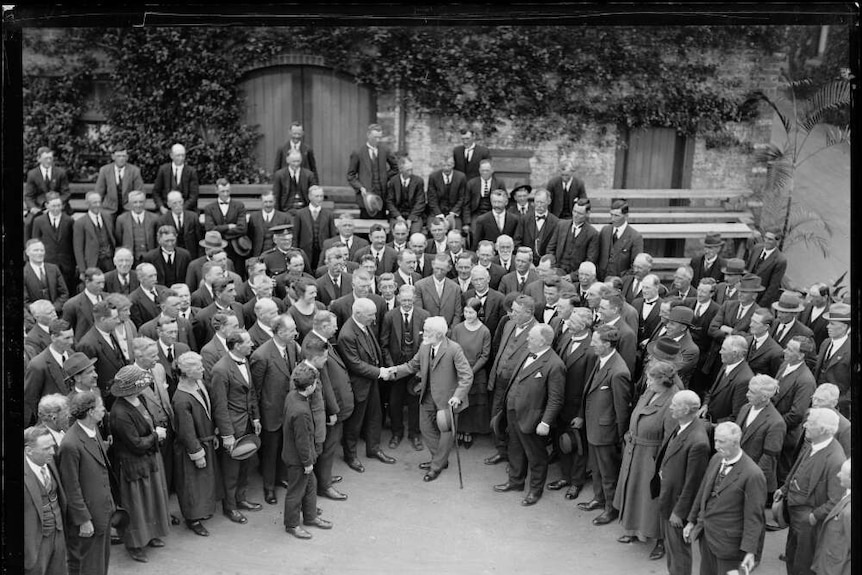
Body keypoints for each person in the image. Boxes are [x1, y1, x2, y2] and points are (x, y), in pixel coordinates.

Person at [388, 316, 473, 482]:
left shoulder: (454, 349)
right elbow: (412, 366)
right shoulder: (425, 347)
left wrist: (457, 396)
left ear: (439, 334)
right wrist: (393, 371)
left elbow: (466, 376)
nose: (423, 334)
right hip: (427, 396)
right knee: (425, 429)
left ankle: (436, 466)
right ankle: (440, 460)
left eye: (427, 332)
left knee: (446, 433)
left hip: (447, 400)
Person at [491, 324, 564, 505]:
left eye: (531, 338)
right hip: (513, 411)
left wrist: (545, 422)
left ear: (543, 341)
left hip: (533, 418)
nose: (527, 340)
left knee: (536, 456)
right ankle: (516, 481)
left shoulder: (555, 365)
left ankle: (535, 490)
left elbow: (556, 399)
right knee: (514, 448)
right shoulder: (527, 352)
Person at [615, 360, 681, 559]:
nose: (648, 381)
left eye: (651, 378)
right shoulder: (651, 391)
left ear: (664, 381)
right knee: (634, 492)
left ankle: (661, 540)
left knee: (653, 499)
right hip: (636, 451)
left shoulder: (673, 401)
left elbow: (671, 438)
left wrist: (663, 466)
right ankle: (633, 529)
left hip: (652, 456)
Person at [683, 422, 766, 575]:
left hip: (730, 545)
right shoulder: (716, 459)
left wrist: (750, 551)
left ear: (735, 443)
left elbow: (754, 517)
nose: (716, 446)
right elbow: (703, 491)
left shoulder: (753, 474)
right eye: (715, 440)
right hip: (707, 536)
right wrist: (691, 521)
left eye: (721, 441)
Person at [108, 365, 171, 563]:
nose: (145, 387)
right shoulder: (119, 413)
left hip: (148, 460)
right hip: (133, 465)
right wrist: (156, 435)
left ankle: (151, 534)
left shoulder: (139, 399)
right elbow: (135, 444)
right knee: (136, 506)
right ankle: (134, 545)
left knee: (151, 500)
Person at [775, 408, 845, 575]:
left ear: (822, 430)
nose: (805, 425)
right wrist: (784, 489)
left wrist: (814, 516)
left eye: (810, 423)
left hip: (809, 520)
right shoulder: (813, 444)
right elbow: (797, 467)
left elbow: (836, 500)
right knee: (792, 555)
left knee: (803, 565)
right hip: (794, 515)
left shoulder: (835, 459)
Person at [575, 324, 632, 525]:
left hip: (606, 431)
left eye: (596, 342)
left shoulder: (618, 372)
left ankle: (610, 508)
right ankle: (599, 498)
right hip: (594, 427)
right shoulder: (602, 361)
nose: (592, 345)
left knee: (608, 472)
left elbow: (621, 409)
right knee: (597, 468)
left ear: (607, 344)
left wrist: (618, 436)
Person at [653, 390, 711, 575]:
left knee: (679, 555)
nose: (670, 407)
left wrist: (680, 512)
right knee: (672, 550)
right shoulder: (683, 426)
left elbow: (694, 483)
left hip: (676, 507)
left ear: (686, 409)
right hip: (668, 498)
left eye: (675, 405)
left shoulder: (698, 441)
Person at [57, 391, 115, 575]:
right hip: (89, 517)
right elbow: (71, 487)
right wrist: (83, 520)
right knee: (89, 566)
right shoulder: (70, 444)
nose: (104, 410)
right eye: (100, 407)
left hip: (103, 511)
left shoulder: (93, 430)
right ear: (90, 411)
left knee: (101, 563)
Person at [209, 330, 262, 524]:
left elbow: (251, 392)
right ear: (237, 346)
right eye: (248, 342)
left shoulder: (244, 360)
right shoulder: (220, 370)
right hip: (233, 426)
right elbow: (220, 406)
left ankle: (241, 498)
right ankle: (230, 507)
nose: (252, 345)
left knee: (245, 463)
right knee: (231, 470)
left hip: (247, 423)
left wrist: (256, 418)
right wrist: (227, 434)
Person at [337, 298, 396, 472]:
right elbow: (355, 364)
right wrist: (380, 372)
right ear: (358, 314)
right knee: (354, 424)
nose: (374, 319)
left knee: (374, 417)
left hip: (371, 383)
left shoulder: (364, 325)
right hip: (359, 385)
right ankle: (351, 456)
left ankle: (373, 448)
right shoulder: (347, 334)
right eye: (371, 315)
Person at [250, 314, 301, 505]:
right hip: (271, 413)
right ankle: (269, 488)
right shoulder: (261, 355)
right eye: (291, 330)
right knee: (270, 453)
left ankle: (281, 477)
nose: (296, 333)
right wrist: (257, 417)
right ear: (279, 332)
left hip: (288, 410)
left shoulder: (291, 347)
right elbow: (255, 390)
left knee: (284, 449)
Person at [171, 351, 221, 537]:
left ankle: (202, 511)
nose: (202, 370)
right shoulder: (181, 398)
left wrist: (212, 433)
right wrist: (197, 453)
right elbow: (186, 431)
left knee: (203, 482)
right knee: (192, 484)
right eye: (198, 368)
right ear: (188, 372)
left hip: (205, 440)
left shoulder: (198, 385)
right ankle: (193, 519)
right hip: (193, 448)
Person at [547, 308, 596, 500]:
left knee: (577, 446)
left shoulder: (591, 349)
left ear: (583, 326)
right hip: (560, 402)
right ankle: (565, 476)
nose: (568, 324)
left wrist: (581, 415)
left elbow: (589, 386)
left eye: (573, 322)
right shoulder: (568, 336)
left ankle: (576, 482)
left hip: (575, 407)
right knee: (562, 442)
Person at [281, 363, 333, 539]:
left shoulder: (292, 396)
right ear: (310, 387)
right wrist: (307, 463)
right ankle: (292, 524)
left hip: (296, 456)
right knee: (295, 492)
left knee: (311, 485)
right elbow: (302, 441)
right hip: (299, 459)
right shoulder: (302, 410)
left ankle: (310, 517)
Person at [486, 294, 537, 465]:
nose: (511, 314)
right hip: (500, 379)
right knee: (496, 416)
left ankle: (516, 459)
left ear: (528, 312)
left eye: (515, 311)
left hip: (517, 386)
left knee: (514, 423)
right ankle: (501, 450)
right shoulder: (509, 324)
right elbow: (498, 349)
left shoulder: (537, 331)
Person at [379, 285, 428, 451]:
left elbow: (427, 344)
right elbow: (384, 344)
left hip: (416, 369)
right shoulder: (390, 316)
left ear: (414, 299)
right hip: (396, 368)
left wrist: (421, 368)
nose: (407, 303)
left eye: (409, 300)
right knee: (395, 402)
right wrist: (393, 368)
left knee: (415, 403)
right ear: (398, 299)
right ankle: (396, 433)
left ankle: (414, 434)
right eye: (404, 300)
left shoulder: (424, 315)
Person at [773, 336, 817, 484]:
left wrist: (773, 424)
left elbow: (796, 414)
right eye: (787, 347)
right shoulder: (785, 364)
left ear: (801, 355)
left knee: (781, 473)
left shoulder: (805, 380)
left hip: (786, 435)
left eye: (790, 350)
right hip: (775, 427)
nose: (784, 351)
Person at [24, 425, 67, 575]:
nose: (52, 452)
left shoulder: (50, 461)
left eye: (52, 446)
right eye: (46, 448)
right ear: (28, 451)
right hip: (35, 542)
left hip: (59, 533)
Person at [450, 297, 492, 447]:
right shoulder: (457, 328)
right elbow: (453, 349)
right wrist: (460, 370)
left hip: (476, 371)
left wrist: (471, 371)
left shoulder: (485, 331)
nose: (468, 315)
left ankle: (469, 431)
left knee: (473, 403)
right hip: (458, 369)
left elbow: (485, 355)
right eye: (466, 312)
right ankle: (460, 429)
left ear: (478, 312)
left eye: (471, 312)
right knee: (459, 399)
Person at [736, 375, 786, 498]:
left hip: (752, 481)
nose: (747, 394)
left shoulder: (776, 422)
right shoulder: (745, 408)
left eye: (752, 392)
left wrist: (749, 482)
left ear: (764, 397)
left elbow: (768, 459)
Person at [24, 319, 74, 425]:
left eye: (72, 337)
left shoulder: (71, 354)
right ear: (53, 338)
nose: (71, 342)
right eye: (66, 338)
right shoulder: (38, 365)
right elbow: (31, 398)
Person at [346, 123, 398, 219]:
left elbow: (396, 169)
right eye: (375, 137)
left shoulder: (385, 150)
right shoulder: (358, 152)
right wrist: (360, 187)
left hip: (382, 195)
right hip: (366, 196)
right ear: (368, 135)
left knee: (381, 224)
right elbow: (350, 175)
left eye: (379, 137)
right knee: (366, 224)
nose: (377, 140)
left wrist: (385, 177)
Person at [700, 334, 754, 424]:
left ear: (735, 353)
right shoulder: (727, 363)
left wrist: (712, 425)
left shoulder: (744, 380)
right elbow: (712, 391)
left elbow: (736, 416)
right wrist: (705, 405)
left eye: (724, 349)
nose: (720, 352)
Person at [30, 192, 77, 294]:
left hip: (66, 264)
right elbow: (35, 241)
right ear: (47, 205)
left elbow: (73, 243)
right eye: (53, 206)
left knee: (66, 290)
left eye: (59, 205)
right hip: (48, 261)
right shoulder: (39, 221)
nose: (56, 208)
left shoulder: (69, 221)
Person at [811, 457, 851, 575]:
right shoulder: (846, 492)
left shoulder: (849, 512)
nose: (838, 475)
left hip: (836, 568)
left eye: (842, 473)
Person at [813, 302, 851, 418]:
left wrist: (837, 402)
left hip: (837, 409)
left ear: (844, 327)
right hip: (817, 403)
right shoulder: (826, 343)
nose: (827, 326)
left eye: (832, 324)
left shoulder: (850, 351)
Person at [73, 191, 116, 277]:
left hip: (109, 261)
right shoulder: (80, 223)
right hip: (93, 262)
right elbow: (78, 249)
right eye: (94, 202)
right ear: (88, 204)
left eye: (99, 202)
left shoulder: (108, 217)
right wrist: (82, 270)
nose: (97, 205)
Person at [597, 199, 643, 281]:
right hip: (601, 280)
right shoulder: (605, 231)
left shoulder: (635, 237)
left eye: (617, 216)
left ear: (626, 216)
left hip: (620, 283)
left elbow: (635, 266)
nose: (613, 219)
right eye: (611, 215)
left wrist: (620, 280)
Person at [291, 186, 336, 267]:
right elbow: (295, 235)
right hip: (305, 251)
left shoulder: (329, 214)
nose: (319, 199)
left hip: (323, 251)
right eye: (317, 196)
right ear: (310, 197)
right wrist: (296, 252)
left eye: (321, 196)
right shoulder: (300, 214)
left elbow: (332, 235)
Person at [414, 253, 463, 327]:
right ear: (433, 265)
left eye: (442, 270)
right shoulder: (420, 285)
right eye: (437, 268)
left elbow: (457, 314)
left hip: (448, 332)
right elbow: (419, 312)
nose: (439, 272)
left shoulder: (455, 288)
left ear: (449, 268)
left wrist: (451, 331)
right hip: (427, 330)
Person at [95, 143, 144, 216]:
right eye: (118, 156)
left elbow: (139, 191)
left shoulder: (134, 171)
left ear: (127, 157)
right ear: (113, 157)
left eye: (123, 156)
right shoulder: (105, 170)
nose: (121, 158)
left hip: (128, 208)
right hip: (109, 208)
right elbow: (99, 192)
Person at [151, 143, 199, 214]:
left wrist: (181, 209)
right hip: (166, 208)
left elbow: (193, 195)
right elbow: (156, 192)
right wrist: (161, 207)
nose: (181, 158)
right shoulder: (163, 170)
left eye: (183, 155)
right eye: (178, 155)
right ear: (171, 156)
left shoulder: (191, 172)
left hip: (186, 209)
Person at [746, 228, 787, 307]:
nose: (766, 241)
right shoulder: (757, 248)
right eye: (765, 238)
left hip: (760, 299)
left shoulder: (780, 260)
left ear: (777, 241)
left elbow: (773, 287)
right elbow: (748, 269)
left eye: (770, 239)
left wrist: (760, 305)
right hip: (746, 293)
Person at [114, 190, 159, 264]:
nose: (138, 205)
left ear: (145, 202)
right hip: (131, 259)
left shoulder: (154, 218)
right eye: (135, 202)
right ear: (130, 204)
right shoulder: (121, 219)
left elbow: (157, 240)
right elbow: (119, 240)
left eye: (141, 202)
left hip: (150, 258)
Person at [25, 146, 71, 215]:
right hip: (39, 208)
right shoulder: (32, 174)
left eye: (50, 158)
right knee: (29, 223)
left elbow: (66, 193)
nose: (49, 161)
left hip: (58, 207)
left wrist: (55, 205)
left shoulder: (60, 173)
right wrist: (32, 207)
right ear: (39, 159)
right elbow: (29, 196)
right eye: (46, 158)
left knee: (67, 222)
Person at [426, 156, 468, 233]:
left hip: (454, 213)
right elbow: (432, 199)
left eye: (449, 165)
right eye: (444, 165)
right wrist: (440, 215)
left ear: (453, 165)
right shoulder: (433, 177)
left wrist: (452, 213)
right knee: (433, 230)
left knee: (457, 232)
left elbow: (462, 198)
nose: (446, 168)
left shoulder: (461, 177)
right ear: (440, 165)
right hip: (437, 212)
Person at [385, 156, 426, 234]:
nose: (410, 172)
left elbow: (420, 202)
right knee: (396, 233)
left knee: (415, 234)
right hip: (397, 215)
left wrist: (410, 219)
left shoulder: (418, 181)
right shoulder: (393, 181)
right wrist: (398, 216)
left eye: (411, 169)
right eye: (408, 170)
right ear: (401, 170)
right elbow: (389, 202)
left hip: (414, 215)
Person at [158, 191, 202, 260]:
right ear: (169, 204)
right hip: (173, 257)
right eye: (174, 203)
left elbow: (199, 239)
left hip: (192, 256)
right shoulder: (163, 220)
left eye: (180, 202)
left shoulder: (193, 217)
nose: (178, 205)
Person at [272, 149, 318, 216]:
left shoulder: (309, 175)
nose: (296, 164)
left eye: (298, 161)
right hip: (285, 210)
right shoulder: (279, 175)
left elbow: (314, 196)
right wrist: (277, 215)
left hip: (305, 210)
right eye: (293, 161)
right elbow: (276, 196)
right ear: (287, 160)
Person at [464, 159, 506, 227]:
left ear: (492, 170)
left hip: (493, 212)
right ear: (479, 170)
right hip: (476, 213)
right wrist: (467, 222)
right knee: (475, 231)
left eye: (487, 170)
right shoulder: (472, 183)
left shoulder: (499, 183)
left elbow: (504, 200)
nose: (485, 173)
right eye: (482, 170)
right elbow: (466, 204)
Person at [520, 189, 559, 264]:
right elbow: (517, 241)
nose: (539, 205)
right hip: (527, 262)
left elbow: (556, 247)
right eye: (537, 202)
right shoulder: (524, 219)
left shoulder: (556, 222)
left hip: (546, 264)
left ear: (549, 202)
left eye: (542, 202)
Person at [745, 307, 784, 377]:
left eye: (755, 323)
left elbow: (775, 377)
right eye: (751, 321)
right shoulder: (746, 341)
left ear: (766, 327)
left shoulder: (776, 352)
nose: (751, 325)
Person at [799, 283, 831, 350]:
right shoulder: (805, 307)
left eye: (815, 296)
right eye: (810, 295)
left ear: (825, 297)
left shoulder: (830, 315)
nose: (810, 299)